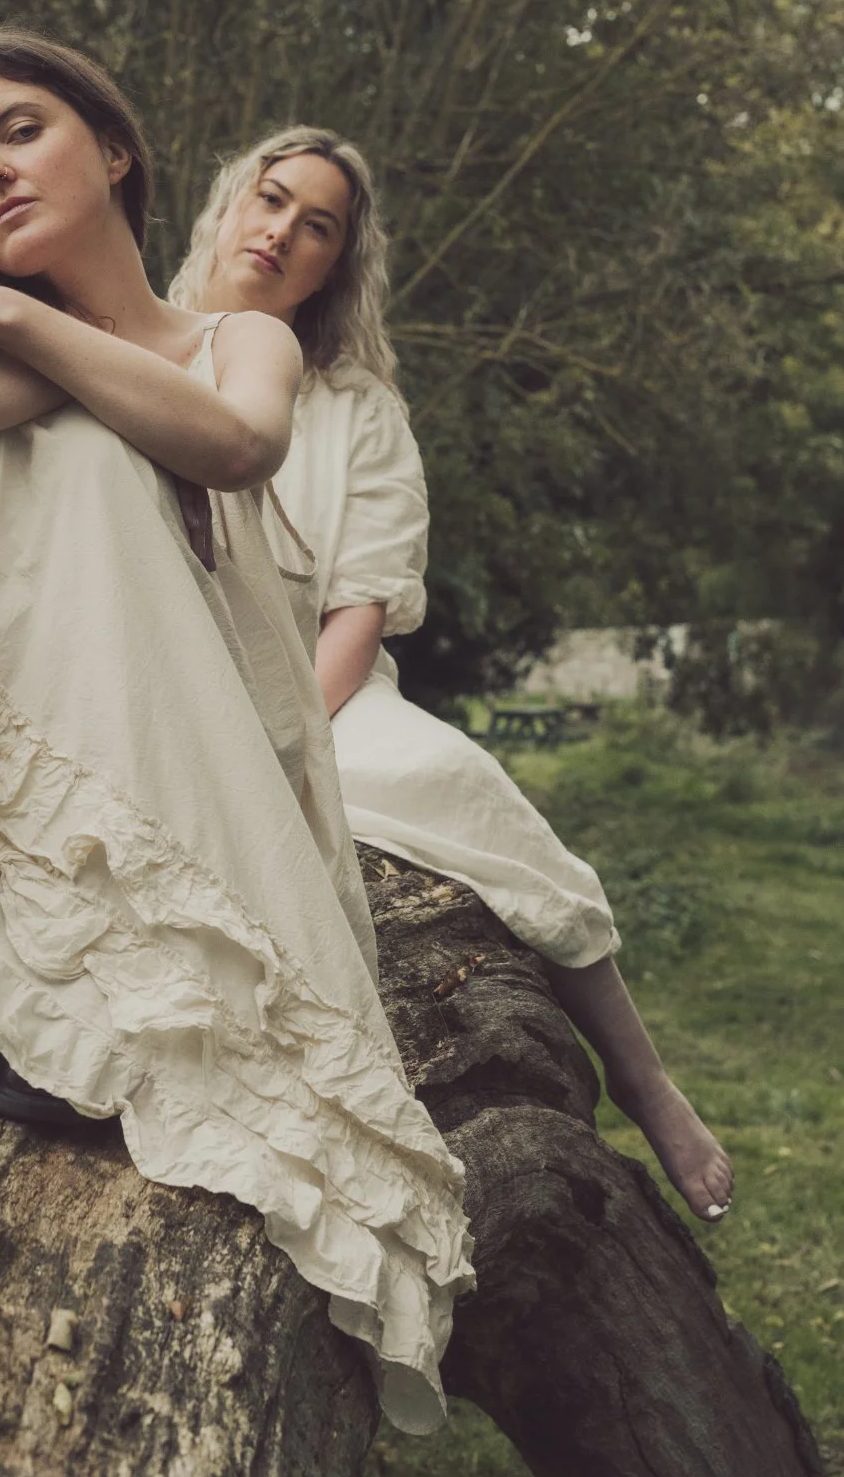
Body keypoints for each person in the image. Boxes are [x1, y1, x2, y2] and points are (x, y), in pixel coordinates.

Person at [0, 33, 473, 1435]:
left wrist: (19, 329)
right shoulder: (26, 335)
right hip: (47, 725)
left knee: (74, 452)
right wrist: (43, 350)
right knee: (31, 450)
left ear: (111, 148)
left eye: (18, 129)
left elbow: (233, 441)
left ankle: (103, 979)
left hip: (207, 740)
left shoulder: (235, 337)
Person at [171, 125, 734, 1225]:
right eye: (272, 199)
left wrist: (281, 740)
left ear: (337, 261)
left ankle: (646, 1079)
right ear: (230, 206)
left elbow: (357, 609)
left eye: (317, 224)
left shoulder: (359, 411)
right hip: (165, 682)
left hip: (326, 696)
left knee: (461, 784)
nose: (282, 230)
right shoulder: (131, 345)